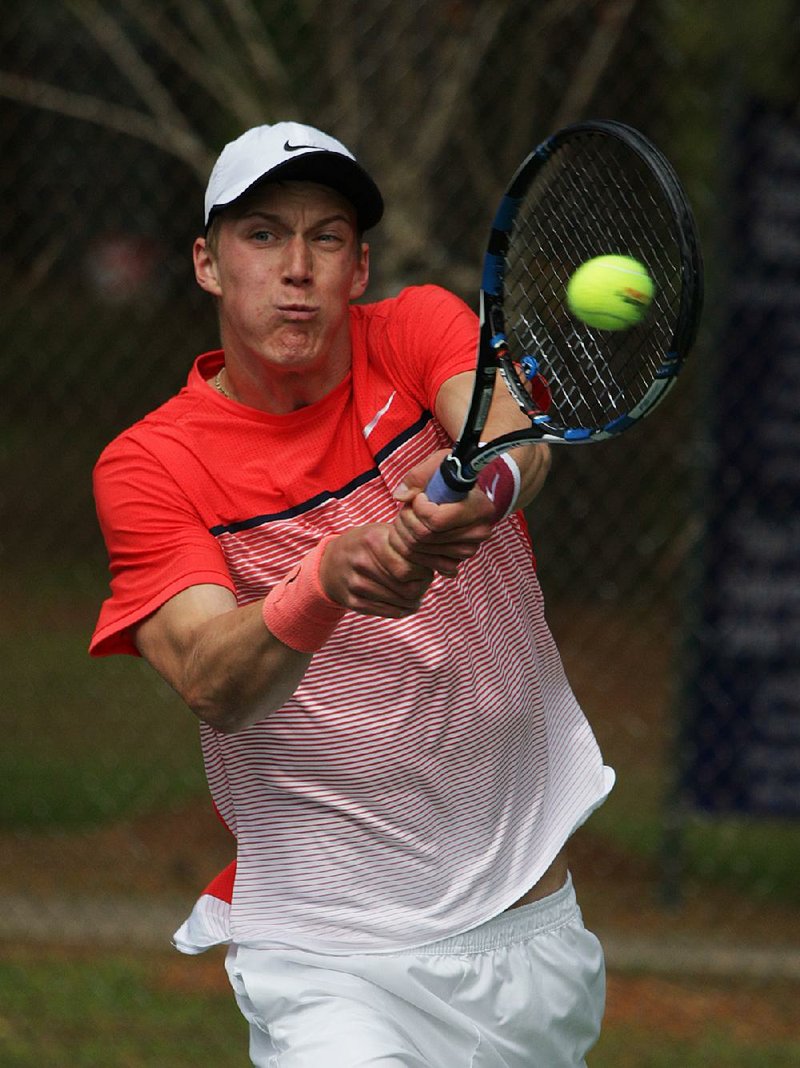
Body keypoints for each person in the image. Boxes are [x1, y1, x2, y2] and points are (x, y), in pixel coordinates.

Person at [90, 121, 614, 1067]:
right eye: (262, 235)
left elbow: (508, 441)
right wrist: (325, 579)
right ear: (208, 263)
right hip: (328, 956)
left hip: (526, 932)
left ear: (358, 266)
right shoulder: (150, 465)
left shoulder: (417, 328)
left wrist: (480, 494)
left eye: (325, 237)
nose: (297, 266)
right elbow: (215, 679)